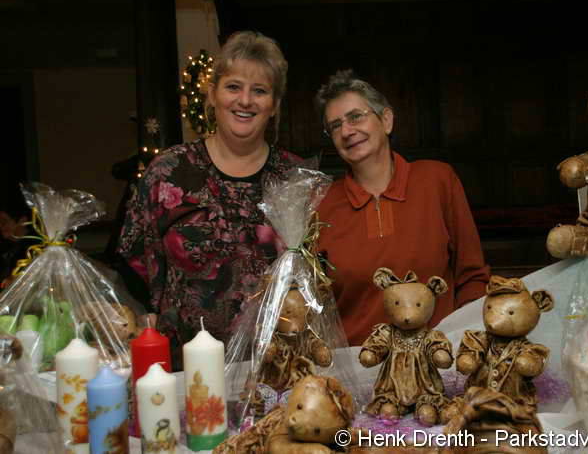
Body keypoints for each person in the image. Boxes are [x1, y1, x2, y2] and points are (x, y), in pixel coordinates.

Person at [118, 31, 301, 368]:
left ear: (274, 105)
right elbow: (133, 259)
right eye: (233, 86)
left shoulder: (296, 178)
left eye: (259, 91)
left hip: (276, 368)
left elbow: (315, 277)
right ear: (213, 94)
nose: (245, 100)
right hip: (187, 369)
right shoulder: (169, 171)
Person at [315, 69, 490, 346]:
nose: (347, 131)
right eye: (335, 126)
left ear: (386, 120)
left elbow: (472, 276)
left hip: (438, 357)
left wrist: (467, 344)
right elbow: (316, 304)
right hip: (357, 363)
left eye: (356, 116)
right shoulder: (321, 204)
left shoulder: (437, 180)